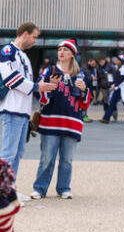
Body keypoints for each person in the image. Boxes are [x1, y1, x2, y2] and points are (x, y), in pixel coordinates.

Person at [30, 39, 91, 200]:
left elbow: (85, 103)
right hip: (51, 121)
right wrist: (50, 85)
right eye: (59, 50)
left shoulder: (81, 75)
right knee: (46, 158)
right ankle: (39, 188)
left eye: (65, 49)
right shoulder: (49, 71)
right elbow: (41, 97)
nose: (61, 52)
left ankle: (64, 187)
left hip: (72, 123)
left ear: (72, 54)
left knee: (67, 160)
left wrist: (84, 90)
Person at [0, 22, 59, 177]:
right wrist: (38, 87)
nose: (35, 41)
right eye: (34, 37)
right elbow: (11, 79)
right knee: (9, 154)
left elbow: (27, 83)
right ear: (25, 34)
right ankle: (2, 194)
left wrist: (43, 86)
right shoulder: (7, 51)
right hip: (12, 109)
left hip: (22, 110)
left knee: (17, 153)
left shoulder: (22, 55)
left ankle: (10, 190)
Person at [99, 55, 124, 124]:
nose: (116, 61)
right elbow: (117, 78)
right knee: (112, 102)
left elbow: (122, 78)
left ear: (121, 61)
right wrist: (114, 84)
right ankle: (106, 118)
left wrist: (115, 85)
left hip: (123, 88)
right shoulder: (118, 67)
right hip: (118, 87)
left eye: (117, 60)